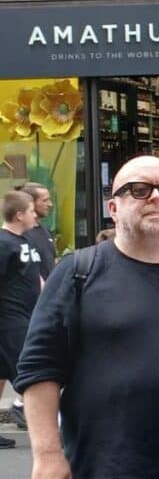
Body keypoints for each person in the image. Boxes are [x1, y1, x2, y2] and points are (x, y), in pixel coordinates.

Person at [14, 156, 159, 478]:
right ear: (113, 208)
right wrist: (48, 455)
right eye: (139, 189)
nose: (156, 198)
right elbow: (39, 369)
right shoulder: (78, 272)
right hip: (106, 465)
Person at [0, 191, 39, 447]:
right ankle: (51, 427)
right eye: (32, 210)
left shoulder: (25, 241)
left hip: (27, 315)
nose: (36, 214)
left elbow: (36, 278)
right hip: (10, 320)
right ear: (19, 215)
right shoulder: (3, 244)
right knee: (33, 371)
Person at [17, 183, 55, 281]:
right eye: (45, 200)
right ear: (31, 203)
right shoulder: (19, 234)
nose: (50, 204)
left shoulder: (45, 231)